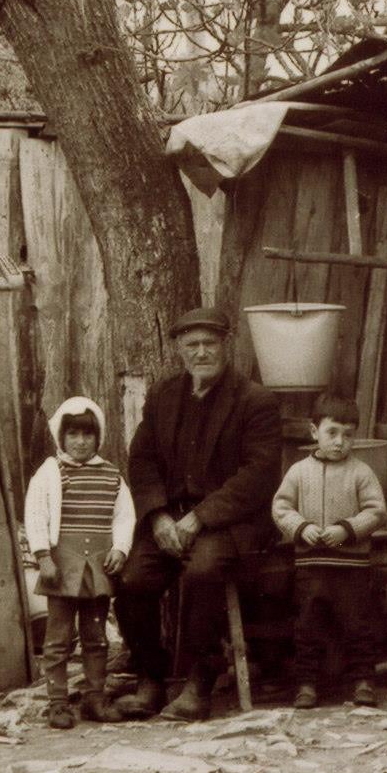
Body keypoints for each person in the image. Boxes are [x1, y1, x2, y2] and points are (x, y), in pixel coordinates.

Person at [115, 308, 282, 721]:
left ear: (226, 345)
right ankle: (151, 679)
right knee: (132, 578)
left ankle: (199, 682)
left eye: (210, 343)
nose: (202, 352)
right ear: (179, 349)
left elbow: (259, 475)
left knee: (202, 573)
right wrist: (157, 517)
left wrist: (200, 518)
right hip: (169, 519)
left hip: (229, 522)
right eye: (192, 345)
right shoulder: (164, 394)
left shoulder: (254, 400)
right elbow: (142, 460)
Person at [22, 396, 133, 729]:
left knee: (95, 636)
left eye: (88, 434)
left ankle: (94, 697)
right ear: (61, 436)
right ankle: (57, 703)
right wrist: (43, 556)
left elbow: (124, 517)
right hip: (63, 565)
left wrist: (120, 549)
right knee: (58, 637)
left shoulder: (112, 475)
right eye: (73, 434)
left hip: (97, 565)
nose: (81, 442)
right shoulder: (50, 473)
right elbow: (35, 514)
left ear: (98, 437)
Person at [271, 394, 387, 708]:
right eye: (332, 432)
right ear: (314, 432)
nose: (340, 442)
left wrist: (346, 530)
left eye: (348, 435)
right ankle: (306, 684)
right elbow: (281, 507)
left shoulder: (361, 472)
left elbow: (376, 511)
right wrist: (300, 527)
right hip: (311, 564)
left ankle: (363, 681)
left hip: (352, 565)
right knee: (308, 625)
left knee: (357, 624)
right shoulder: (298, 472)